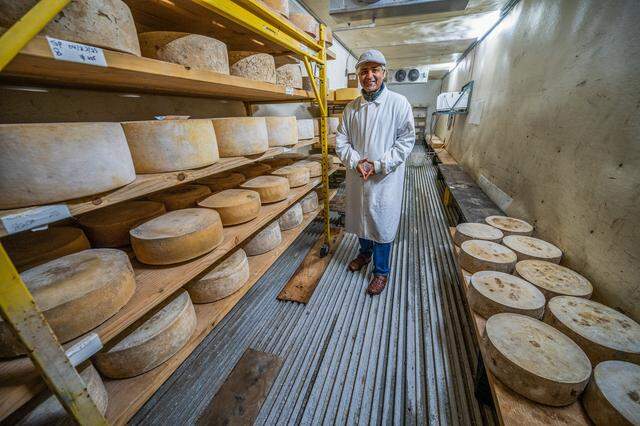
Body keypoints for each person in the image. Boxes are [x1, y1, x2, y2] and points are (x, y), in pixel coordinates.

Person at [335, 49, 415, 296]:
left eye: (375, 70)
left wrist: (379, 164)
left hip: (385, 178)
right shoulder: (352, 108)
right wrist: (357, 161)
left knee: (381, 223)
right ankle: (364, 254)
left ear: (384, 73)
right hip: (359, 175)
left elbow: (406, 140)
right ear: (358, 75)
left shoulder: (399, 103)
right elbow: (341, 140)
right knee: (361, 218)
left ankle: (381, 272)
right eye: (364, 71)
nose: (369, 75)